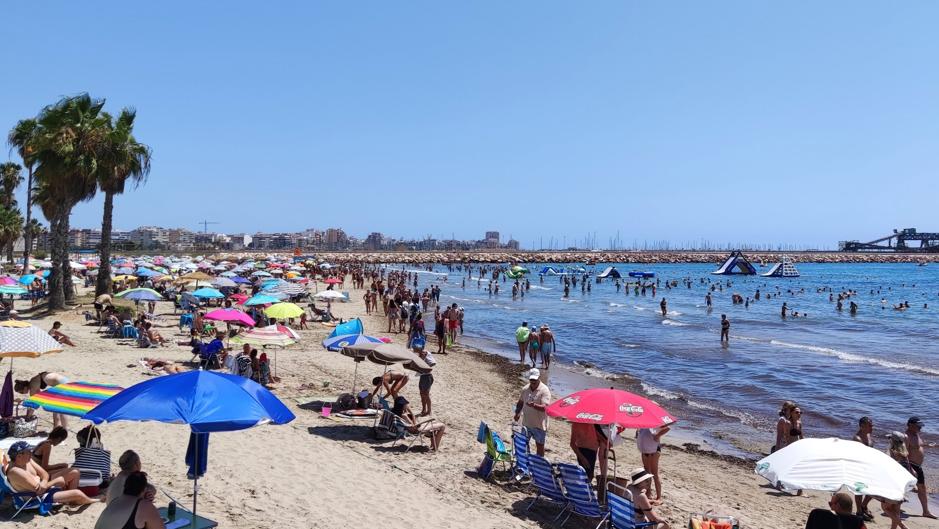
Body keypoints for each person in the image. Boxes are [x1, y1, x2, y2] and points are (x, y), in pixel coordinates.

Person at [3, 441, 97, 506]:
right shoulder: (16, 471)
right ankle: (93, 500)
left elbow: (45, 474)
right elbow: (39, 490)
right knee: (78, 493)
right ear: (19, 456)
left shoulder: (27, 460)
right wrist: (55, 481)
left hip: (43, 485)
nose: (31, 453)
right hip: (37, 496)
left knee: (74, 472)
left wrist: (44, 482)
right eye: (28, 452)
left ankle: (70, 500)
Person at [95, 471, 164, 529]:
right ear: (144, 489)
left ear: (125, 486)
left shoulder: (115, 500)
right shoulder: (144, 506)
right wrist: (147, 504)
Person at [513, 369, 551, 456]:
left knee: (540, 446)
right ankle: (525, 461)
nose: (533, 381)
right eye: (531, 379)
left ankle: (539, 463)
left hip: (539, 425)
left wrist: (534, 405)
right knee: (523, 444)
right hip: (526, 423)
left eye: (535, 379)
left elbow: (545, 408)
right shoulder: (525, 389)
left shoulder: (544, 390)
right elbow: (520, 402)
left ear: (539, 378)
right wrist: (517, 413)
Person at [905, 417, 935, 518]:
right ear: (910, 425)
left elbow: (918, 446)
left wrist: (929, 446)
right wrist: (910, 468)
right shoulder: (906, 436)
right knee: (904, 487)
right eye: (918, 426)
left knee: (922, 488)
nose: (920, 428)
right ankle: (890, 506)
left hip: (918, 466)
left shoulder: (916, 434)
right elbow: (904, 454)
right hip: (911, 465)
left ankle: (926, 511)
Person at [637, 426, 670, 504]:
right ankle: (649, 493)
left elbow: (667, 428)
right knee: (647, 472)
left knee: (654, 473)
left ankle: (659, 497)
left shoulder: (655, 421)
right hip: (645, 450)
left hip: (654, 450)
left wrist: (657, 435)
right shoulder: (645, 422)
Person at [853, 416, 875, 521]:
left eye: (872, 425)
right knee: (860, 490)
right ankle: (859, 511)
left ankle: (864, 505)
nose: (872, 427)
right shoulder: (857, 438)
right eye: (870, 425)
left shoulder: (869, 435)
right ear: (862, 426)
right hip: (859, 467)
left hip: (869, 466)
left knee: (873, 489)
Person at [415, 348, 436, 416]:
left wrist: (422, 357)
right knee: (422, 394)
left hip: (427, 377)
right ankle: (424, 409)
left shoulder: (425, 352)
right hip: (422, 376)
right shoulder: (420, 354)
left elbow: (433, 363)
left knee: (426, 394)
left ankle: (429, 411)